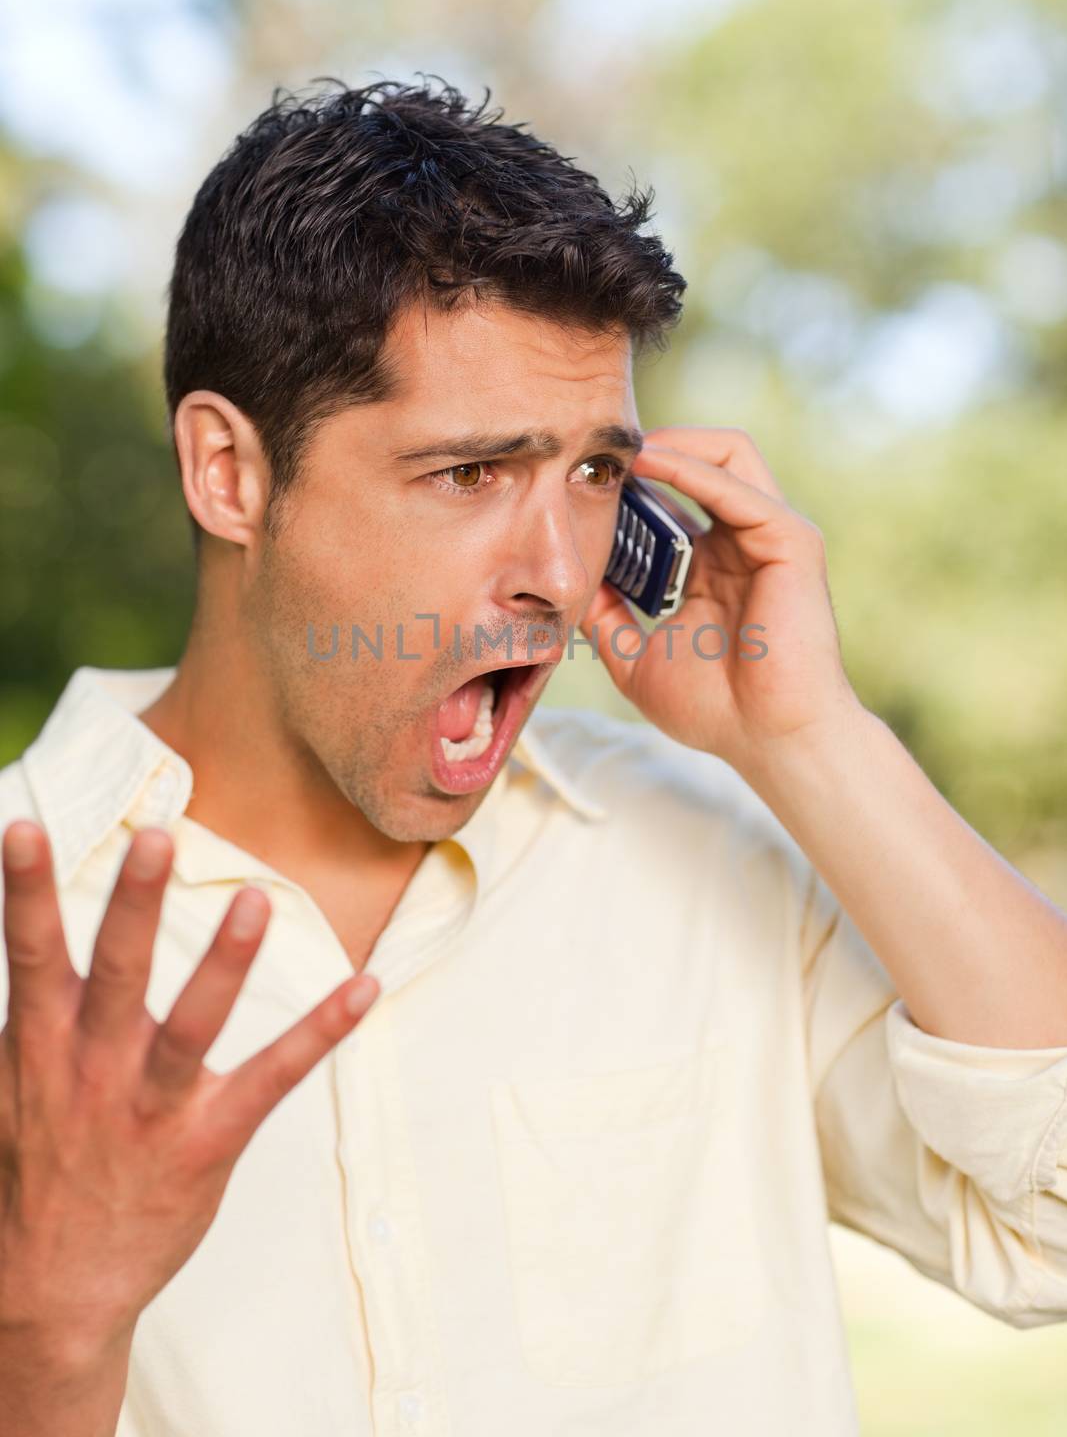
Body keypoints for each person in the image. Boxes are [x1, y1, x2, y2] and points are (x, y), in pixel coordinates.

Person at [2, 77, 1066, 1437]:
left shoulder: (709, 848)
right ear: (230, 474)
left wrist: (812, 739)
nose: (561, 576)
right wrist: (44, 1326)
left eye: (592, 474)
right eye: (471, 475)